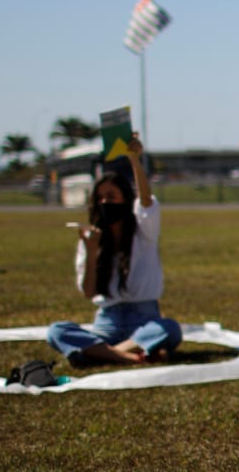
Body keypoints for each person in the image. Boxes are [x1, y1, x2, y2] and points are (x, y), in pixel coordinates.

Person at [47, 135, 181, 367]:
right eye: (100, 198)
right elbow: (90, 292)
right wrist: (90, 253)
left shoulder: (143, 232)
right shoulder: (92, 238)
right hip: (107, 321)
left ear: (125, 200)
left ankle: (104, 354)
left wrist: (134, 160)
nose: (105, 203)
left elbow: (147, 203)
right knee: (56, 331)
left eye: (111, 197)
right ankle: (131, 356)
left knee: (169, 329)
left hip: (144, 317)